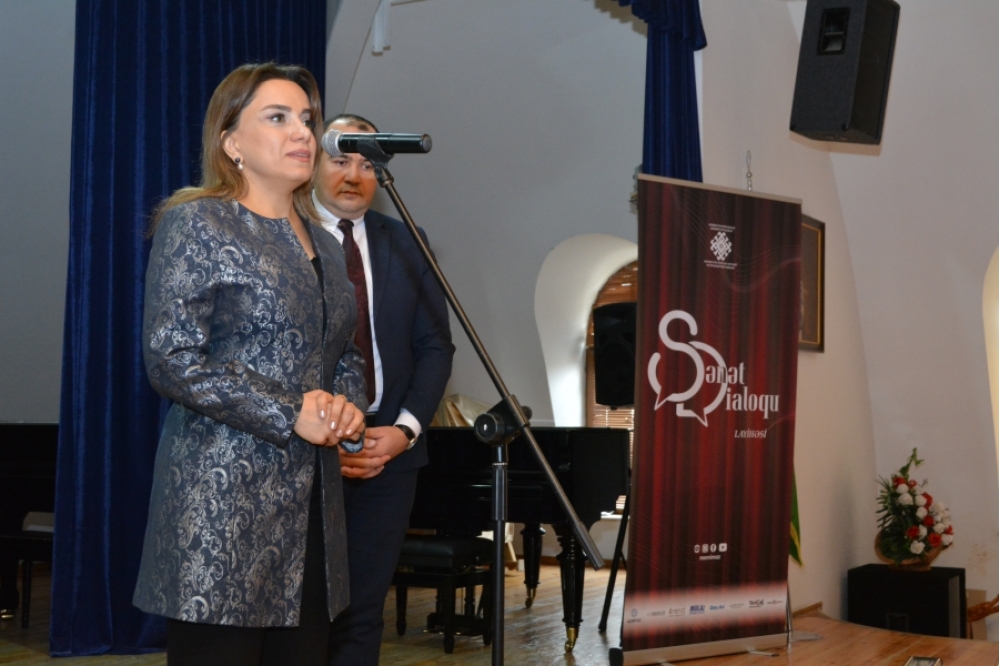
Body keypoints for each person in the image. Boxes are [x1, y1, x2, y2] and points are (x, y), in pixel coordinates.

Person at [133, 63, 368, 666]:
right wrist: (291, 411)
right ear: (231, 141)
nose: (303, 132)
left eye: (307, 119)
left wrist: (347, 407)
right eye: (278, 117)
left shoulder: (325, 241)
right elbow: (171, 357)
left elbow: (342, 353)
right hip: (222, 503)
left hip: (312, 513)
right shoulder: (198, 222)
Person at [313, 113, 454, 666]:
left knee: (363, 611)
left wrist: (404, 432)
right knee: (304, 614)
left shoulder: (407, 241)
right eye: (340, 158)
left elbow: (436, 347)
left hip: (389, 459)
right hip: (308, 453)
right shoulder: (283, 235)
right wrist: (329, 435)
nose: (354, 174)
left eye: (368, 164)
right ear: (313, 164)